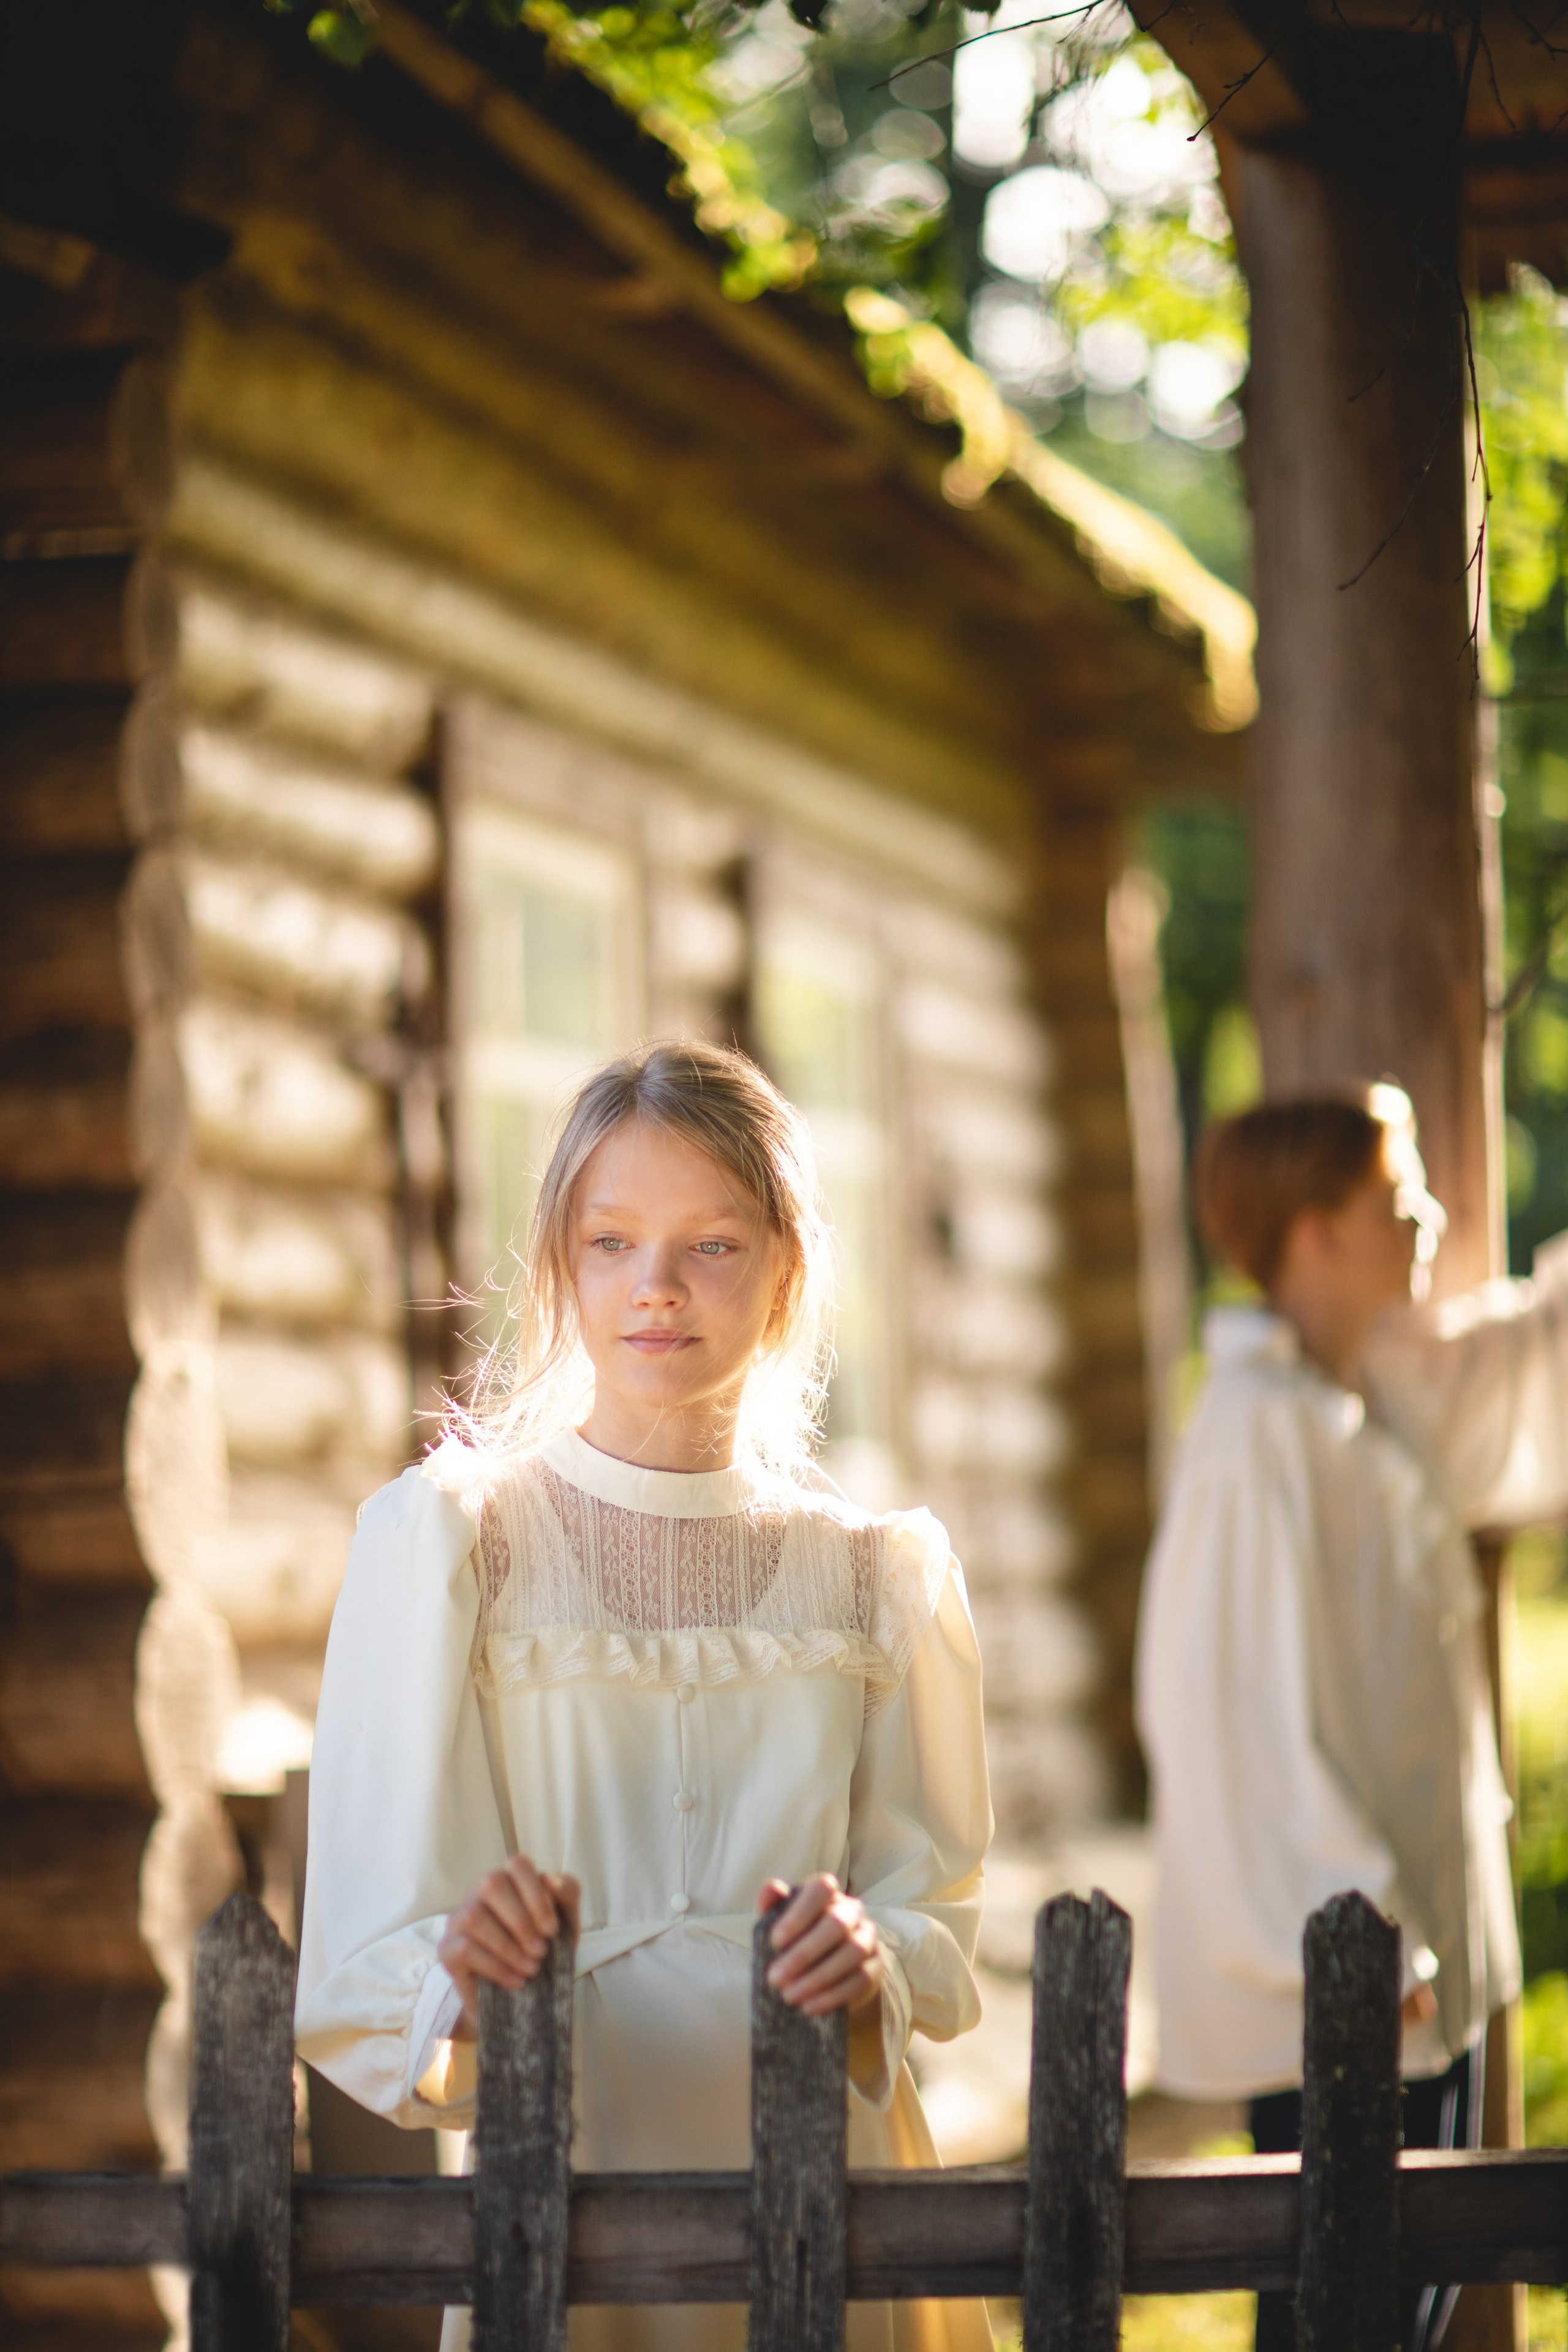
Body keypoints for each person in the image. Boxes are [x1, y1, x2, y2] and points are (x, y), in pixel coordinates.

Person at [295, 1039, 994, 2352]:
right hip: (572, 2180)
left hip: (832, 2191)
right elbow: (358, 1964)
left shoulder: (876, 1576)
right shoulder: (456, 1543)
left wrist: (869, 1955)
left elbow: (937, 1928)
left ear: (786, 1268)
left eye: (710, 1246)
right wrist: (468, 1958)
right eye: (611, 1242)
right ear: (560, 1263)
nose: (655, 1288)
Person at [1136, 1084, 1568, 2352]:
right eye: (1395, 1195)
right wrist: (1361, 1928)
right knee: (1344, 2311)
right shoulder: (1248, 1445)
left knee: (1395, 2308)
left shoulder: (1343, 1408)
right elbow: (1236, 1719)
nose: (1427, 1214)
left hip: (1399, 1969)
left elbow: (1507, 1370)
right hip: (1355, 1976)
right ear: (1313, 1231)